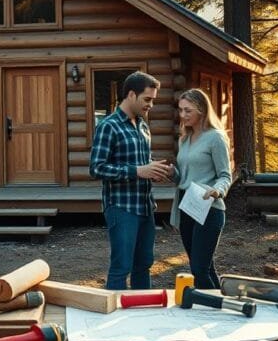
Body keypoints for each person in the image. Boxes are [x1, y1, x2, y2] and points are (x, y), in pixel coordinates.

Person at [89, 71, 173, 290]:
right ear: (131, 95)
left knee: (144, 264)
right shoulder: (109, 126)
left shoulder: (143, 126)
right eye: (147, 99)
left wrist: (156, 169)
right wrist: (137, 171)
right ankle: (113, 319)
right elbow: (96, 168)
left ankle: (141, 314)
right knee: (121, 266)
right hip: (121, 207)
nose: (151, 105)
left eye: (153, 100)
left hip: (145, 206)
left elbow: (141, 164)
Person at [170, 88, 232, 290]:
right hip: (187, 206)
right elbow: (185, 176)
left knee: (199, 269)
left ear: (202, 110)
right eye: (180, 110)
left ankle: (211, 308)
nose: (182, 115)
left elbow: (225, 175)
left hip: (209, 207)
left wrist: (217, 191)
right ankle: (222, 303)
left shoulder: (215, 137)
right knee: (203, 266)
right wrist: (172, 173)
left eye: (188, 111)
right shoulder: (184, 138)